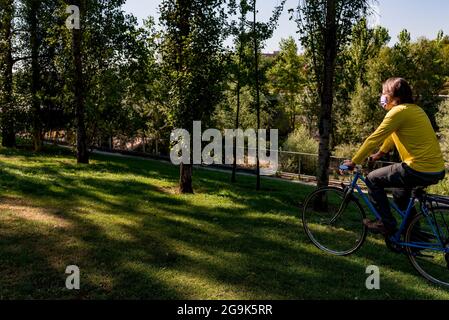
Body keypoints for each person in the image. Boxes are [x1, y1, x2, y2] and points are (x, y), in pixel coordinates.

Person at [343, 77, 446, 236]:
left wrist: (354, 161)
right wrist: (380, 153)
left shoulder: (397, 112)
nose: (382, 96)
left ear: (395, 97)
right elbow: (392, 136)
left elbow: (373, 139)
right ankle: (413, 236)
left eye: (384, 93)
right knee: (400, 195)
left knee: (372, 179)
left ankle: (386, 224)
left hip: (417, 168)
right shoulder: (415, 109)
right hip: (434, 169)